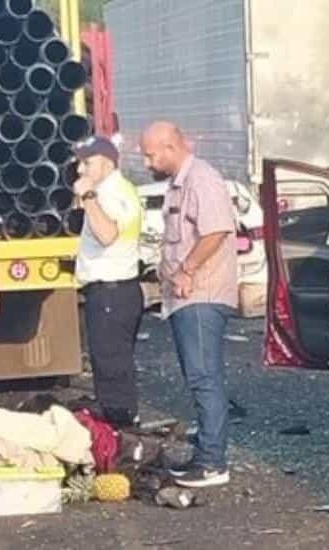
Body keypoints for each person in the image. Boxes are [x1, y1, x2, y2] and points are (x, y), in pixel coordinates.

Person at [140, 121, 237, 488]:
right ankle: (205, 455)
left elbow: (216, 230)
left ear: (169, 147)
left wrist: (187, 269)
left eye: (150, 154)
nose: (147, 161)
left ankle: (213, 462)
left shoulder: (202, 179)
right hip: (187, 299)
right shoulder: (180, 183)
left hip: (201, 296)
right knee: (200, 376)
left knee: (204, 377)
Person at [73, 136, 144, 427]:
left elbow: (107, 234)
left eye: (87, 162)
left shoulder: (113, 194)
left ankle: (120, 428)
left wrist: (88, 197)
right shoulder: (114, 191)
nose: (80, 169)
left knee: (111, 364)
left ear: (107, 162)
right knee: (111, 362)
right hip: (112, 292)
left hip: (112, 293)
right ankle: (118, 421)